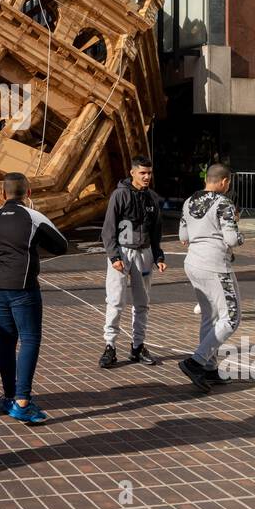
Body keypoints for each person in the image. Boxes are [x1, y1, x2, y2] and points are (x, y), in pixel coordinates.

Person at [0, 172, 68, 424]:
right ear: (28, 193)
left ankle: (9, 396)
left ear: (2, 194)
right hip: (22, 286)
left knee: (6, 340)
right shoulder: (32, 216)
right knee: (29, 339)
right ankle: (22, 401)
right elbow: (61, 245)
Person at [176, 164, 243, 394]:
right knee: (231, 318)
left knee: (210, 316)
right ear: (224, 182)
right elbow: (232, 240)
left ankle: (209, 367)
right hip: (215, 265)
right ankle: (196, 362)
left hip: (193, 263)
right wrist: (238, 230)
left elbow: (183, 236)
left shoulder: (189, 201)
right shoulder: (224, 203)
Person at [99, 155, 166, 369]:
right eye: (142, 173)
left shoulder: (153, 199)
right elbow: (108, 229)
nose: (146, 177)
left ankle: (138, 346)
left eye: (149, 173)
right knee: (116, 301)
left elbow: (156, 232)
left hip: (144, 254)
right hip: (122, 253)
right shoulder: (119, 195)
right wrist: (114, 256)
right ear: (133, 173)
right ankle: (109, 346)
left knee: (142, 303)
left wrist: (158, 256)